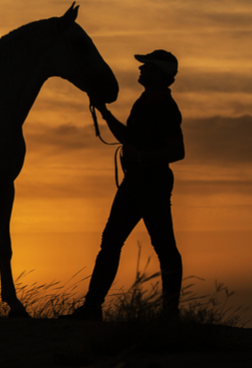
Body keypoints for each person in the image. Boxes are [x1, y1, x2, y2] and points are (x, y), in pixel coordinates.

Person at [65, 49, 185, 321]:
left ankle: (167, 313)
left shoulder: (165, 107)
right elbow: (128, 138)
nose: (140, 70)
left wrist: (141, 157)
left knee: (158, 246)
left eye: (146, 67)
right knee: (115, 242)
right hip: (138, 182)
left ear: (157, 72)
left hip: (150, 183)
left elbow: (178, 151)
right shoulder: (145, 102)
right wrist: (104, 113)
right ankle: (94, 308)